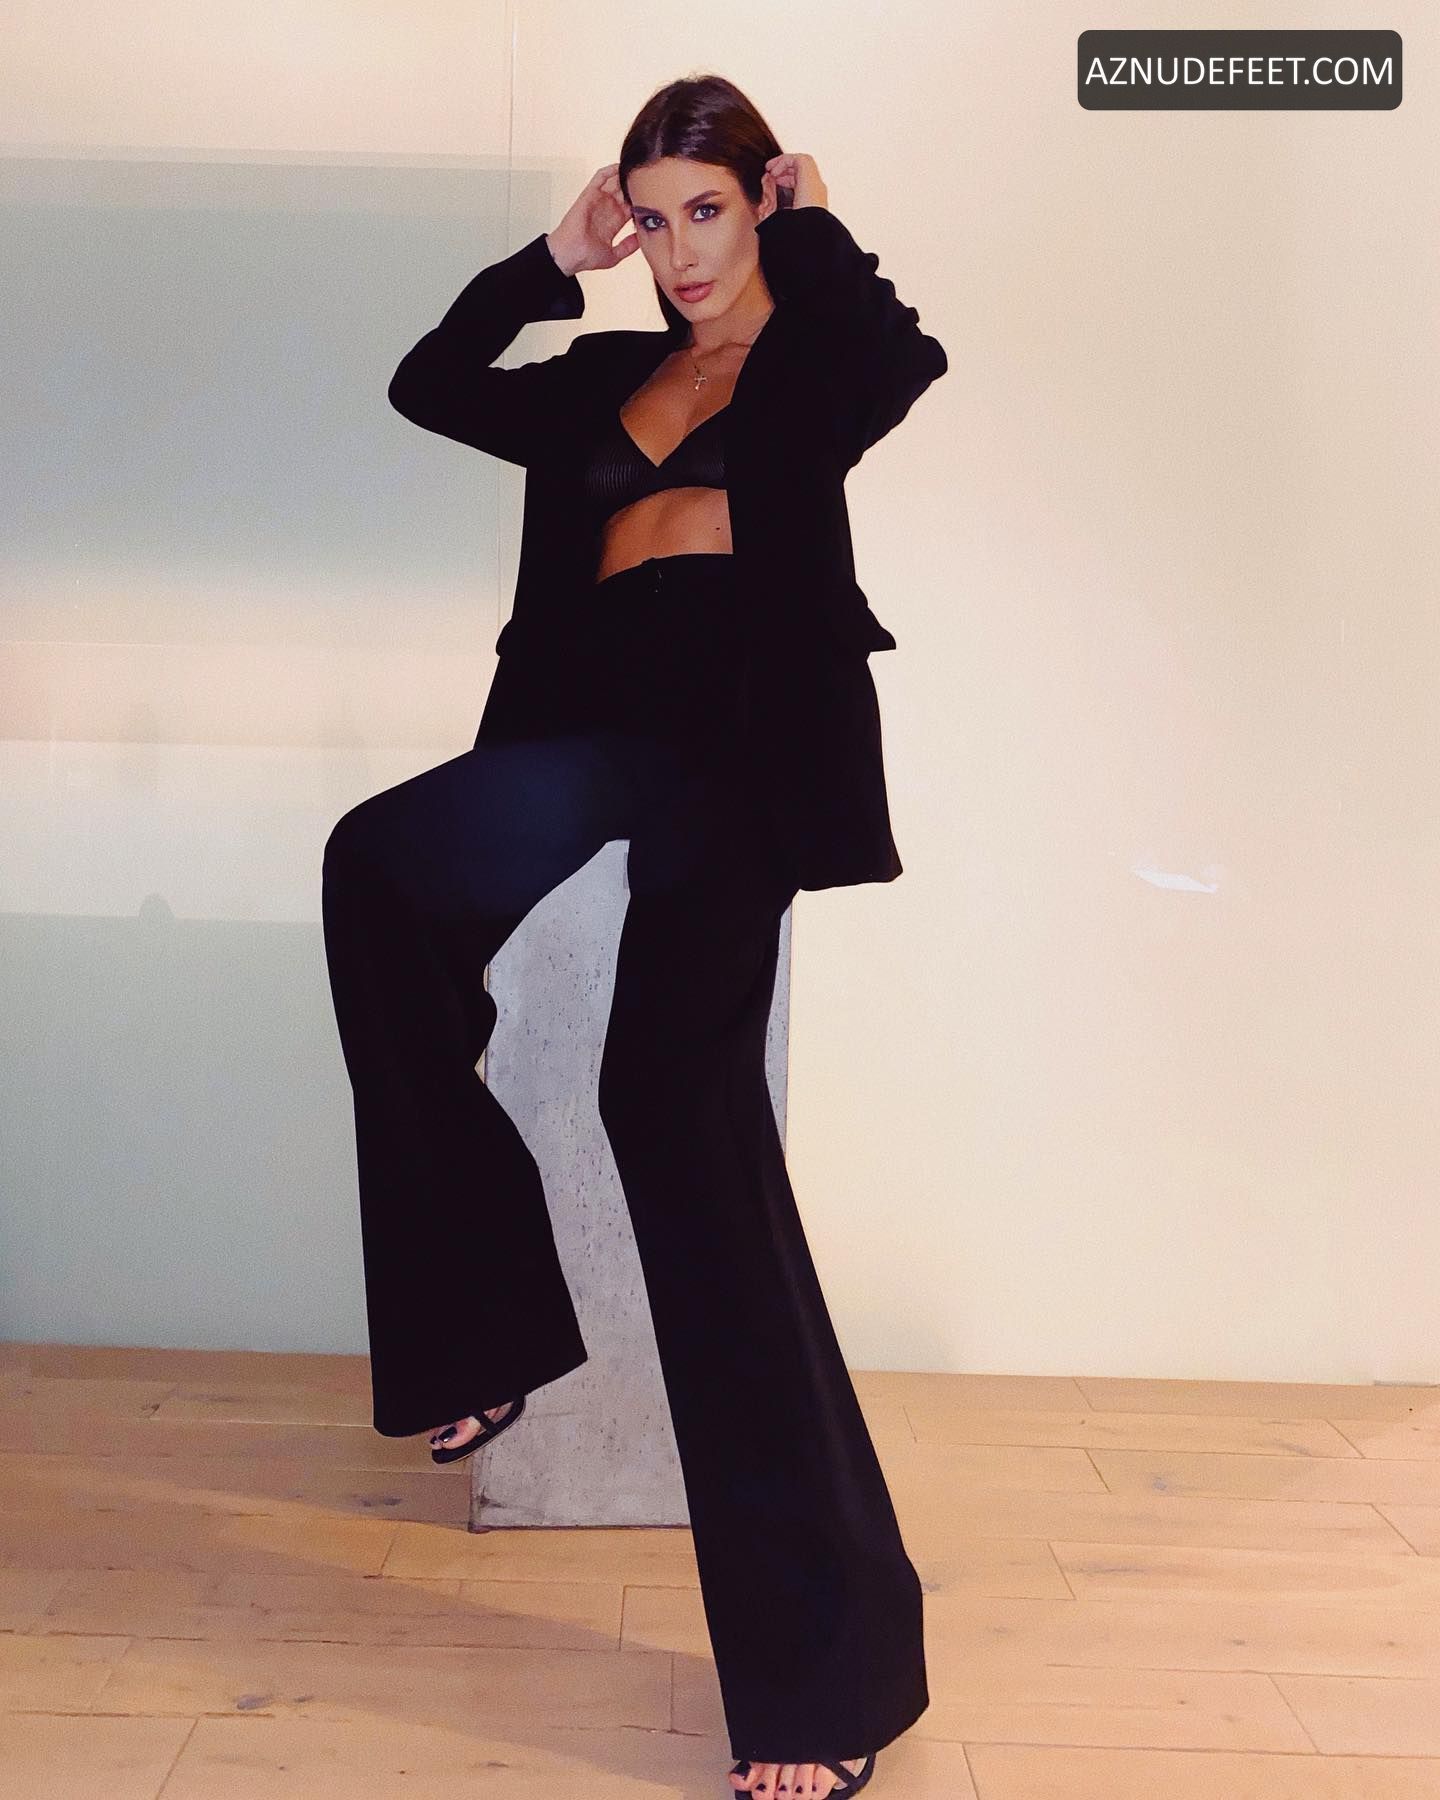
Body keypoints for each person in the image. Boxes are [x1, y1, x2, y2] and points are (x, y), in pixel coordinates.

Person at [321, 73, 946, 1800]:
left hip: (744, 751)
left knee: (673, 1113)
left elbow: (905, 356)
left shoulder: (816, 361)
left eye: (707, 213)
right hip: (589, 726)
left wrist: (816, 229)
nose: (677, 253)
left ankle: (823, 1684)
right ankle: (483, 1334)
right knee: (378, 866)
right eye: (652, 218)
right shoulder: (600, 372)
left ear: (761, 204)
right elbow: (428, 384)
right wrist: (550, 259)